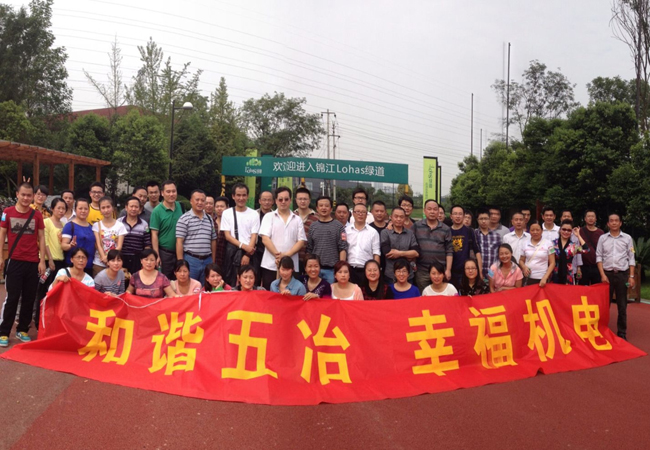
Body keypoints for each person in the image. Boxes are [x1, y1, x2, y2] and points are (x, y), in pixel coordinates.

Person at [0, 183, 46, 347]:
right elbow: (2, 234)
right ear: (17, 194)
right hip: (14, 261)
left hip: (32, 262)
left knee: (29, 297)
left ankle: (22, 329)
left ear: (32, 196)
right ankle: (4, 332)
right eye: (23, 195)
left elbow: (42, 237)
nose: (26, 198)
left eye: (29, 195)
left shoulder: (37, 215)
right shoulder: (7, 212)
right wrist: (0, 256)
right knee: (12, 297)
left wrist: (42, 260)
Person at [596, 213, 635, 340]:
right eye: (611, 221)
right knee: (604, 306)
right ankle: (601, 330)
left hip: (622, 275)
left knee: (622, 306)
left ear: (620, 223)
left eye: (616, 220)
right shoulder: (602, 238)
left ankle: (622, 333)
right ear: (608, 223)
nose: (614, 223)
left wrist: (631, 276)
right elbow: (599, 256)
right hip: (606, 275)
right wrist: (602, 274)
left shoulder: (627, 238)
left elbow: (631, 258)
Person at [259, 187, 306, 290]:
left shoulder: (297, 219)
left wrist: (285, 256)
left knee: (290, 296)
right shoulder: (269, 217)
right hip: (271, 264)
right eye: (280, 199)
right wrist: (278, 256)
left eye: (286, 199)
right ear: (276, 201)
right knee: (269, 295)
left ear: (290, 200)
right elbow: (265, 239)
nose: (283, 202)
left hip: (291, 266)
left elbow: (301, 241)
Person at [221, 183, 260, 286]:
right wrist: (243, 246)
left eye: (244, 195)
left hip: (250, 254)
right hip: (232, 254)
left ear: (247, 196)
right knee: (232, 283)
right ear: (233, 196)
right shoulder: (227, 213)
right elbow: (227, 236)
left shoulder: (254, 214)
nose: (241, 198)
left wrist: (247, 254)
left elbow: (254, 236)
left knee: (249, 283)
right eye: (238, 195)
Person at [175, 189, 217, 285]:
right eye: (197, 200)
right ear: (191, 201)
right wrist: (181, 264)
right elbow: (179, 242)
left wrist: (213, 261)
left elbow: (213, 240)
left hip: (207, 260)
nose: (200, 202)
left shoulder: (209, 219)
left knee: (206, 288)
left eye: (202, 200)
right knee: (189, 287)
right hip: (191, 260)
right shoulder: (184, 219)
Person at [306, 196, 348, 284]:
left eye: (326, 206)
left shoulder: (339, 226)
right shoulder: (313, 226)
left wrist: (340, 269)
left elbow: (343, 248)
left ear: (331, 208)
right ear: (317, 208)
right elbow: (309, 248)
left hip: (332, 270)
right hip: (315, 270)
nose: (323, 208)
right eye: (321, 206)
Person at [413, 200, 452, 292]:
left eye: (435, 209)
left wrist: (448, 270)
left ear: (438, 211)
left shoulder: (446, 229)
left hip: (440, 271)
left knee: (440, 296)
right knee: (424, 295)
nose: (432, 212)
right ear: (424, 210)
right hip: (422, 271)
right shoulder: (416, 226)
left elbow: (449, 251)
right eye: (429, 209)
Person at [36, 198, 67, 312]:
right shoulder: (46, 222)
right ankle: (39, 318)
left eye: (63, 208)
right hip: (48, 261)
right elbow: (44, 242)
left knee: (57, 292)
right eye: (58, 208)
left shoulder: (64, 225)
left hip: (61, 261)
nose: (61, 211)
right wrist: (49, 259)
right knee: (43, 291)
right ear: (52, 209)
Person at [150, 180, 183, 280]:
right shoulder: (157, 211)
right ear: (162, 193)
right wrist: (157, 255)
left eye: (174, 191)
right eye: (168, 191)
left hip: (180, 252)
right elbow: (154, 234)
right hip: (165, 253)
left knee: (179, 280)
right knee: (164, 281)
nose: (171, 194)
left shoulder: (180, 206)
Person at [381, 207, 419, 283]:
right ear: (391, 217)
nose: (398, 219)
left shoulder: (410, 233)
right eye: (396, 216)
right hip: (391, 275)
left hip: (408, 275)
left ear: (404, 218)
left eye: (401, 217)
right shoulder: (385, 232)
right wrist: (408, 254)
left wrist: (398, 253)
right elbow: (387, 252)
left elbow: (416, 253)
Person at [345, 203, 380, 285]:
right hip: (349, 270)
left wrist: (376, 272)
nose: (360, 214)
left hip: (366, 271)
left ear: (367, 214)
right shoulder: (346, 231)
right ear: (353, 214)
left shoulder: (373, 232)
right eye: (357, 212)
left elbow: (376, 254)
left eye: (363, 212)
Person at [92, 196, 126, 276]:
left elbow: (119, 246)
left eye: (108, 207)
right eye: (103, 208)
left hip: (115, 263)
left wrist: (109, 258)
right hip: (99, 262)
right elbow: (98, 244)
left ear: (113, 208)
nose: (106, 210)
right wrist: (104, 257)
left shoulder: (120, 226)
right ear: (100, 210)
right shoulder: (96, 225)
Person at [117, 196, 151, 276]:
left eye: (136, 207)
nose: (133, 209)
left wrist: (145, 259)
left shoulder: (144, 224)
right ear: (126, 207)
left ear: (139, 209)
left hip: (137, 259)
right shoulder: (118, 222)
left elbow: (147, 245)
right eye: (131, 206)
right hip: (121, 258)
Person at [449, 205, 481, 289]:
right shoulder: (447, 231)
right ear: (451, 216)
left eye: (460, 214)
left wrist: (480, 271)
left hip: (466, 271)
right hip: (451, 271)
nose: (458, 216)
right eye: (455, 214)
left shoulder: (470, 231)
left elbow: (477, 251)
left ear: (463, 216)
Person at [61, 199, 95, 276]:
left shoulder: (91, 227)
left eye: (86, 209)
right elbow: (63, 245)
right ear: (75, 210)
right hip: (73, 267)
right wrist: (70, 245)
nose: (83, 211)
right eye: (80, 208)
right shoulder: (69, 226)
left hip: (88, 266)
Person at [552, 220, 589, 285]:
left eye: (569, 230)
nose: (566, 232)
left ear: (571, 232)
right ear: (560, 230)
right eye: (564, 229)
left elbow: (586, 250)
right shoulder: (553, 244)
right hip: (554, 274)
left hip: (568, 275)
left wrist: (578, 235)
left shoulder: (573, 246)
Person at [294, 187, 319, 274]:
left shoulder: (317, 218)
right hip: (294, 258)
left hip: (311, 261)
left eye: (305, 199)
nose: (302, 201)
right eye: (300, 199)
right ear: (296, 200)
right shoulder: (291, 216)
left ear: (309, 200)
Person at [579, 210, 605, 285]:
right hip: (583, 266)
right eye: (588, 216)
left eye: (592, 216)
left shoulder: (601, 233)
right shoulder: (580, 231)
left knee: (596, 288)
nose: (591, 218)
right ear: (585, 219)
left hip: (597, 266)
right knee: (583, 289)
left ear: (596, 219)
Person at [474, 208, 501, 280]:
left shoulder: (496, 236)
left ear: (489, 219)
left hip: (492, 272)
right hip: (476, 273)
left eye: (486, 218)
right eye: (481, 219)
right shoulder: (474, 234)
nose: (483, 221)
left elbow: (499, 255)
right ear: (477, 220)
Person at [213, 196, 229, 270]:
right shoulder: (211, 222)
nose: (219, 208)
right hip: (213, 259)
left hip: (227, 259)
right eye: (217, 206)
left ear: (227, 207)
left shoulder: (230, 224)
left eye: (222, 206)